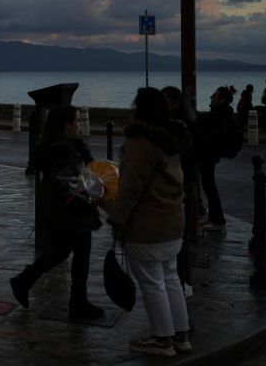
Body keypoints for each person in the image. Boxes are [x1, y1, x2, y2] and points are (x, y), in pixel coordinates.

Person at [109, 87, 192, 358]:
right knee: (170, 278)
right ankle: (181, 335)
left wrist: (117, 219)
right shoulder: (170, 138)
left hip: (147, 224)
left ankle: (162, 339)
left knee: (152, 281)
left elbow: (131, 187)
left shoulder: (141, 142)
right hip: (172, 220)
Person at [8, 105, 104, 320]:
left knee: (61, 251)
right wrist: (95, 191)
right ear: (67, 125)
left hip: (59, 209)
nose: (79, 124)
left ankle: (24, 280)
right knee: (80, 254)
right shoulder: (61, 150)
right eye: (77, 121)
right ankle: (78, 303)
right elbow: (70, 180)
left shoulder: (56, 146)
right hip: (70, 210)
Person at [161, 86, 201, 293]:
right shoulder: (186, 127)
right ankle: (181, 282)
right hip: (186, 184)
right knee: (180, 237)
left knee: (180, 237)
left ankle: (183, 281)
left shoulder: (177, 129)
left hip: (182, 185)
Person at [196, 86, 241, 231]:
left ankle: (218, 221)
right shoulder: (223, 114)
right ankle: (213, 217)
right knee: (208, 185)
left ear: (221, 99)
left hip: (209, 154)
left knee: (209, 186)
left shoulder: (219, 116)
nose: (211, 97)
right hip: (211, 154)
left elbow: (206, 127)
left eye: (214, 95)